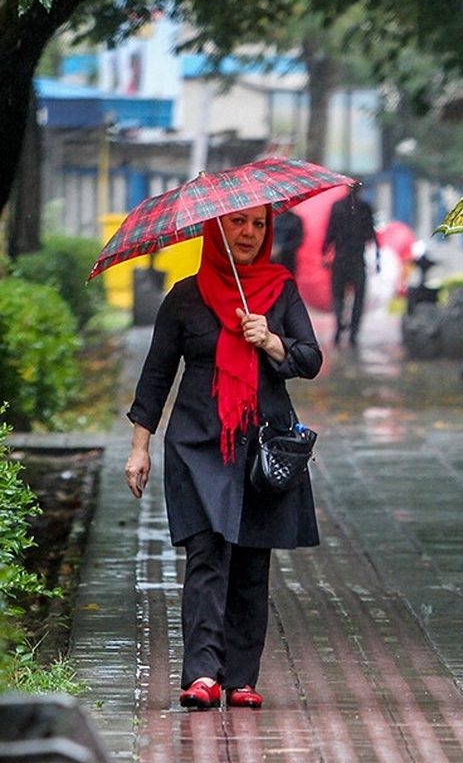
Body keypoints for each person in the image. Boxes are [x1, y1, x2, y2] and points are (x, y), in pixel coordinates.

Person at [124, 204, 323, 711]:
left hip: (261, 447)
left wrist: (271, 341)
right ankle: (202, 675)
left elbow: (310, 359)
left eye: (259, 224)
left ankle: (240, 678)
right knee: (207, 554)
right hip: (197, 444)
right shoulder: (185, 297)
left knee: (252, 561)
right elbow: (156, 375)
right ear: (216, 228)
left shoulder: (280, 290)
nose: (249, 233)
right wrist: (140, 447)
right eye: (238, 223)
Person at [323, 184, 379, 346]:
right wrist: (377, 256)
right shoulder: (365, 208)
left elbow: (330, 233)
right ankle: (353, 332)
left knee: (338, 295)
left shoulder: (337, 207)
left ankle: (339, 327)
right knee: (358, 297)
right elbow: (371, 234)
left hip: (340, 258)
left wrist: (324, 251)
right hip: (357, 258)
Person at [271, 209, 303, 275]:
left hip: (288, 259)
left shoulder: (295, 220)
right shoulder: (274, 219)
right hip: (272, 260)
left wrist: (281, 248)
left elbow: (298, 240)